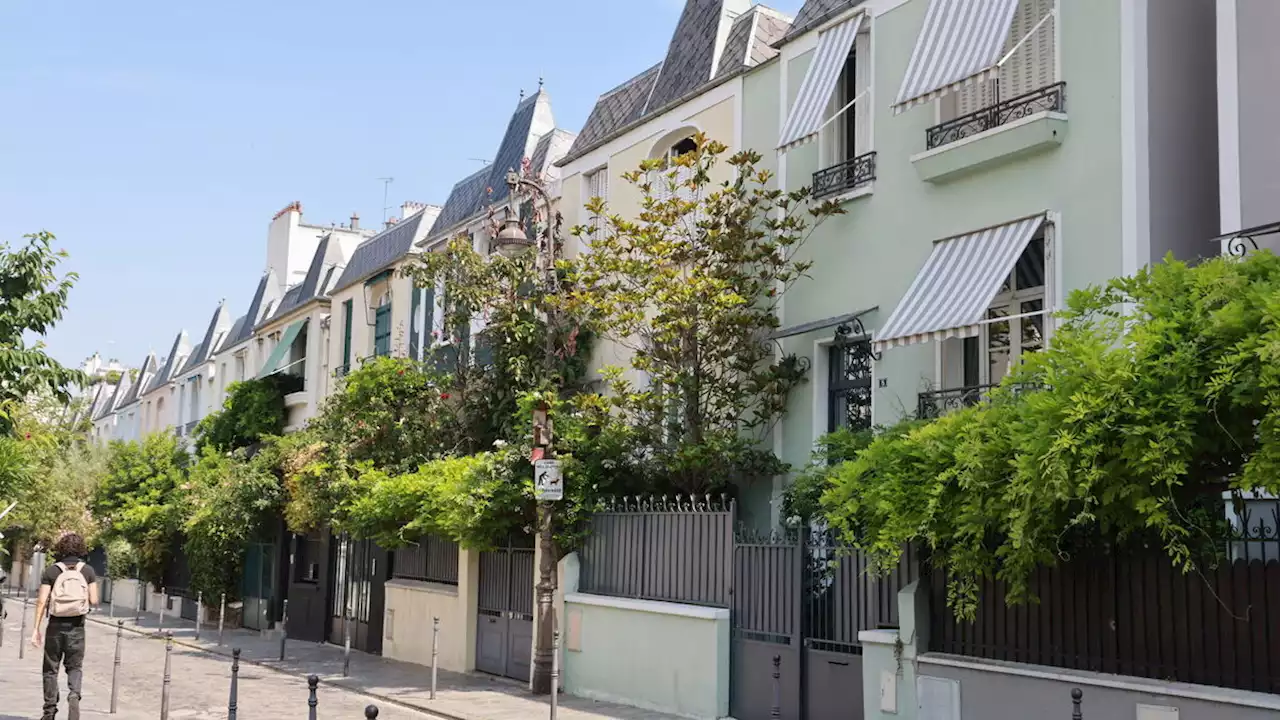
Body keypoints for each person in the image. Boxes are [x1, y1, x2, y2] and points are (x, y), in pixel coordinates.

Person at [30, 532, 98, 720]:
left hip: (55, 627)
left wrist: (36, 629)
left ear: (61, 548)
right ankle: (74, 695)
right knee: (75, 667)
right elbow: (94, 599)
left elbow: (41, 601)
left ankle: (49, 712)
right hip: (77, 627)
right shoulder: (88, 571)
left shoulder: (52, 571)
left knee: (50, 670)